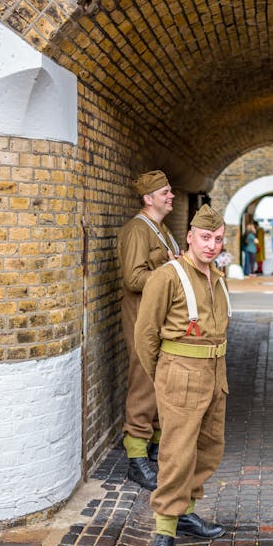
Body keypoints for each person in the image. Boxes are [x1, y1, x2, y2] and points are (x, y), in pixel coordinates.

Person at [135, 204, 231, 546]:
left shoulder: (218, 277)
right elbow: (145, 336)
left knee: (208, 448)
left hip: (214, 373)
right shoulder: (168, 275)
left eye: (218, 239)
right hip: (180, 374)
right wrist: (164, 378)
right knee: (176, 455)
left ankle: (186, 514)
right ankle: (163, 534)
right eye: (205, 237)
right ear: (190, 236)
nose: (211, 245)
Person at [117, 170, 179, 491]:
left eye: (170, 191)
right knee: (143, 380)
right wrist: (168, 268)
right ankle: (136, 458)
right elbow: (133, 279)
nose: (171, 196)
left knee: (157, 378)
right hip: (142, 316)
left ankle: (153, 443)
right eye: (165, 192)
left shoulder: (161, 229)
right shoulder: (137, 231)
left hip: (158, 317)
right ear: (148, 198)